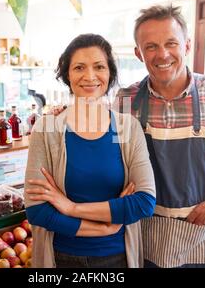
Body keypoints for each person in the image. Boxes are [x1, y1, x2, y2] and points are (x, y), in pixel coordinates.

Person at [115, 5, 205, 268]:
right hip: (148, 230)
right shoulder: (126, 100)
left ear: (187, 46)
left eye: (171, 43)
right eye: (151, 47)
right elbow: (115, 159)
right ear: (138, 53)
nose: (163, 54)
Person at [24, 34, 156, 268]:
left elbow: (144, 202)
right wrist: (104, 227)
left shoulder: (127, 128)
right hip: (60, 258)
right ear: (67, 75)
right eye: (79, 67)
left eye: (99, 67)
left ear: (110, 74)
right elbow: (37, 211)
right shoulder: (47, 129)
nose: (90, 76)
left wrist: (71, 207)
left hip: (118, 257)